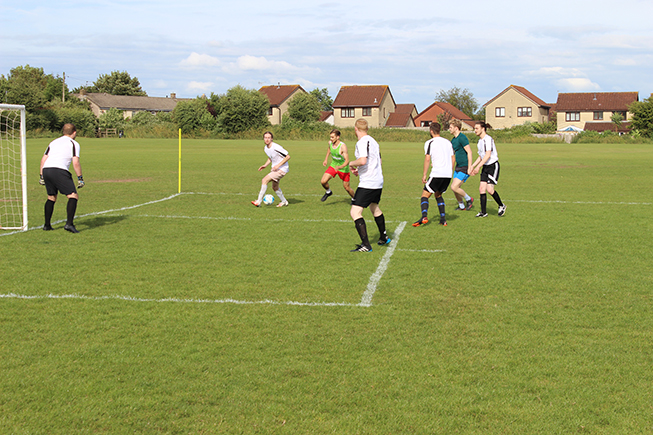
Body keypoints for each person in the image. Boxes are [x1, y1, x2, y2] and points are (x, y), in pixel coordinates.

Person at [348, 119, 389, 252]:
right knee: (374, 208)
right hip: (378, 181)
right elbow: (379, 161)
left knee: (355, 212)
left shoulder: (362, 142)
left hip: (368, 183)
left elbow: (363, 160)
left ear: (355, 129)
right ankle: (383, 237)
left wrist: (351, 164)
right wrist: (359, 170)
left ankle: (366, 245)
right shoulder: (374, 142)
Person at [39, 123, 85, 233]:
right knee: (73, 196)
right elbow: (76, 162)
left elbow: (43, 159)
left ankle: (47, 225)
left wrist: (41, 176)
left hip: (46, 169)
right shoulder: (74, 143)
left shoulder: (54, 142)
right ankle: (69, 224)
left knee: (51, 197)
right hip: (59, 170)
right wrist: (80, 178)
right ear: (74, 132)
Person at [412, 122, 454, 227]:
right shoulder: (448, 142)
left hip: (437, 173)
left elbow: (427, 159)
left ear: (431, 131)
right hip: (448, 174)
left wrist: (424, 174)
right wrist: (449, 170)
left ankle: (424, 216)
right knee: (438, 194)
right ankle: (443, 220)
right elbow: (453, 158)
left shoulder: (429, 142)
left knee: (424, 195)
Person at [469, 121, 506, 218]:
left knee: (489, 189)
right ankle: (483, 212)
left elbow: (488, 155)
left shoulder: (488, 139)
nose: (475, 130)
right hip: (485, 166)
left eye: (477, 128)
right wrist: (473, 166)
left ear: (483, 129)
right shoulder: (480, 141)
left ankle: (501, 206)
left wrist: (478, 167)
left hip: (492, 166)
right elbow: (481, 156)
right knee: (482, 189)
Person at [251, 131, 290, 208]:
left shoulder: (276, 147)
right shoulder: (266, 148)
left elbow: (287, 157)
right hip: (276, 169)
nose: (267, 139)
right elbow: (271, 157)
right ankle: (284, 201)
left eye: (269, 138)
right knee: (275, 187)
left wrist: (277, 166)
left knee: (264, 180)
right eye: (265, 137)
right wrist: (265, 165)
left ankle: (258, 201)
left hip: (282, 169)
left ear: (272, 139)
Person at [320, 129, 355, 201]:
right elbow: (329, 149)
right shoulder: (330, 143)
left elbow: (347, 161)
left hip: (343, 168)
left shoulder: (343, 146)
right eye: (330, 137)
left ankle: (355, 199)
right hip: (333, 165)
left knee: (347, 187)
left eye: (332, 137)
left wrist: (340, 167)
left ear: (338, 137)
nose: (331, 139)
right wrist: (326, 159)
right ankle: (328, 191)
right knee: (323, 181)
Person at [448, 119, 474, 211]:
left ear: (456, 128)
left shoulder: (462, 137)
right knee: (455, 188)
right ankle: (461, 206)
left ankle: (469, 199)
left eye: (450, 127)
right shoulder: (453, 140)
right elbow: (451, 155)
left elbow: (469, 152)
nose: (449, 129)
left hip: (465, 166)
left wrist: (470, 167)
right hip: (458, 167)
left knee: (454, 186)